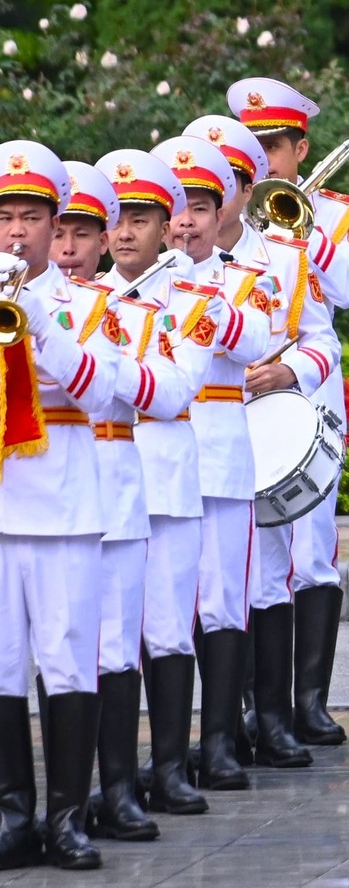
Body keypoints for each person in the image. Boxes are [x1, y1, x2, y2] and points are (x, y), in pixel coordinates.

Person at [0, 143, 141, 870]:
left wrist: (38, 325)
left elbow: (103, 392)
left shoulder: (91, 304)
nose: (18, 233)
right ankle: (11, 814)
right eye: (6, 218)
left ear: (57, 225)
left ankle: (66, 816)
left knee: (66, 662)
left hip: (63, 503)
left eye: (32, 218)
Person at [186, 112, 341, 770]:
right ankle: (219, 722)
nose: (212, 204)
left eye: (229, 186)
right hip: (188, 434)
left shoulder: (282, 255)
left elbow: (323, 340)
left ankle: (272, 716)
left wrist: (291, 369)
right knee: (196, 585)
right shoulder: (168, 263)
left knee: (268, 574)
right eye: (198, 193)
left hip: (264, 427)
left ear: (248, 193)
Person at [55, 163, 205, 843]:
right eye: (67, 232)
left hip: (113, 485)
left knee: (118, 645)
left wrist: (105, 360)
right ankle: (63, 797)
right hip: (40, 491)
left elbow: (171, 393)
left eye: (86, 232)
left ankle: (116, 789)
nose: (73, 248)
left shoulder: (138, 311)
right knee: (61, 652)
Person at [228, 76, 349, 750]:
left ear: (300, 147)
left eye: (275, 147)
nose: (264, 161)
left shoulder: (336, 212)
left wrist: (301, 222)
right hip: (245, 388)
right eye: (252, 148)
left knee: (312, 546)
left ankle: (309, 701)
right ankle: (265, 708)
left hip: (309, 387)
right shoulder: (222, 211)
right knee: (256, 551)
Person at [153, 133, 278, 794]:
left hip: (223, 455)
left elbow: (257, 336)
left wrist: (201, 301)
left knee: (225, 600)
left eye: (200, 208)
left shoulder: (240, 278)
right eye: (176, 211)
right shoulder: (139, 284)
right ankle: (167, 752)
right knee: (166, 607)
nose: (186, 223)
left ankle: (221, 741)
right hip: (163, 461)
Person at [95, 150, 217, 815]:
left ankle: (169, 767)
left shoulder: (192, 298)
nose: (123, 233)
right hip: (109, 485)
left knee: (169, 627)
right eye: (115, 219)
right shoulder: (85, 294)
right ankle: (113, 779)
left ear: (167, 226)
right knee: (111, 635)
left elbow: (174, 393)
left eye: (139, 219)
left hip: (165, 481)